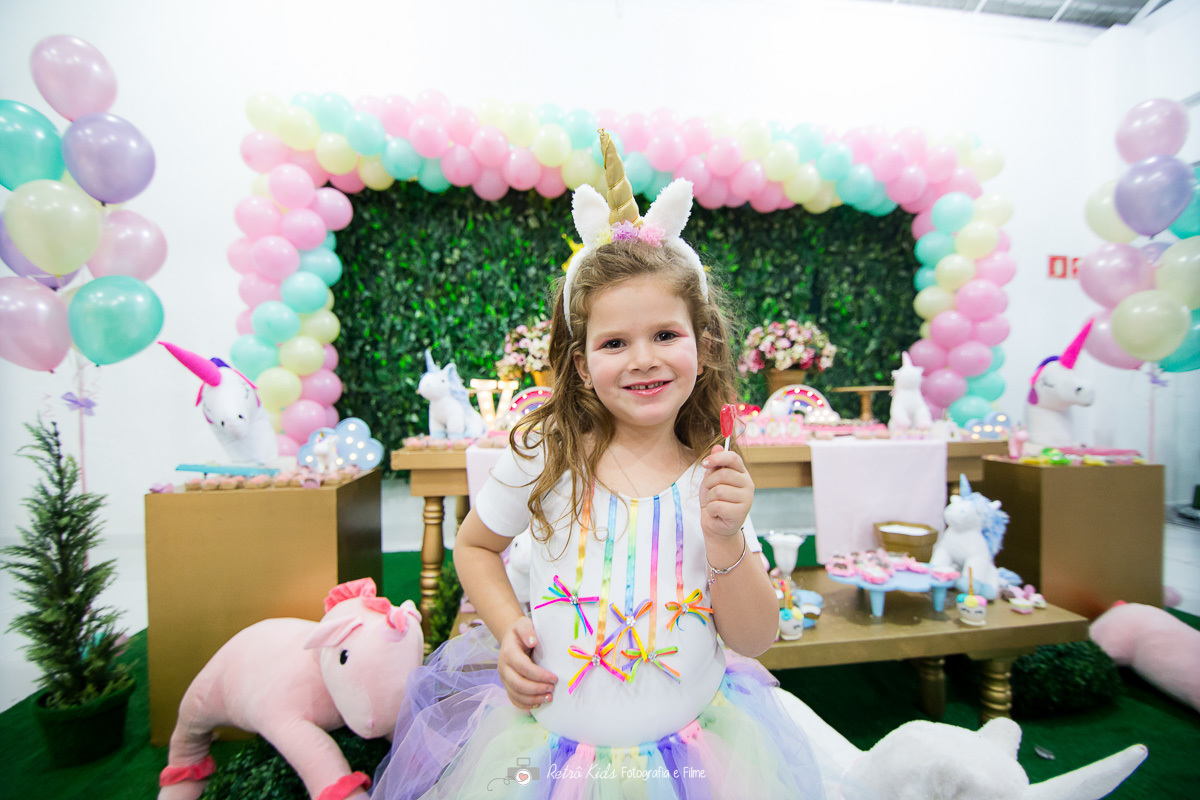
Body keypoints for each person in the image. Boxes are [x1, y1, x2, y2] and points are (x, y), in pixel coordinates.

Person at [372, 133, 825, 799]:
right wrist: (508, 629)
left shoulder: (712, 469)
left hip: (695, 760)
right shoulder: (544, 453)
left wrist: (726, 537)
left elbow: (756, 640)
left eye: (665, 336)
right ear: (582, 363)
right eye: (615, 342)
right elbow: (473, 545)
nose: (643, 359)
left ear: (701, 346)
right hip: (552, 758)